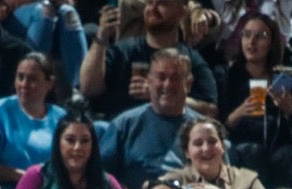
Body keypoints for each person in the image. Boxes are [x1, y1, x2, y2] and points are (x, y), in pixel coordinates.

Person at [81, 0, 220, 119]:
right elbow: (88, 89)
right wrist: (101, 37)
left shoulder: (191, 60)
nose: (153, 8)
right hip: (122, 135)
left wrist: (163, 96)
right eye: (150, 3)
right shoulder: (123, 51)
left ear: (182, 13)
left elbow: (210, 110)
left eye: (162, 3)